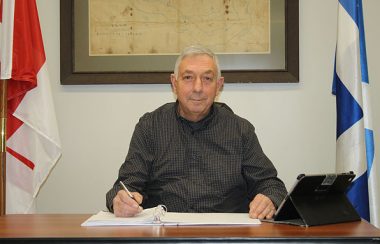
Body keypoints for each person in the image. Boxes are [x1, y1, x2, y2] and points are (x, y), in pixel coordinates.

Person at [106, 45, 287, 219]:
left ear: (219, 85)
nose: (198, 88)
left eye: (207, 79)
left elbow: (271, 185)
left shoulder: (240, 130)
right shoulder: (150, 127)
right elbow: (126, 185)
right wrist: (121, 200)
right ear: (174, 83)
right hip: (164, 234)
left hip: (224, 235)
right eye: (188, 78)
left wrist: (269, 198)